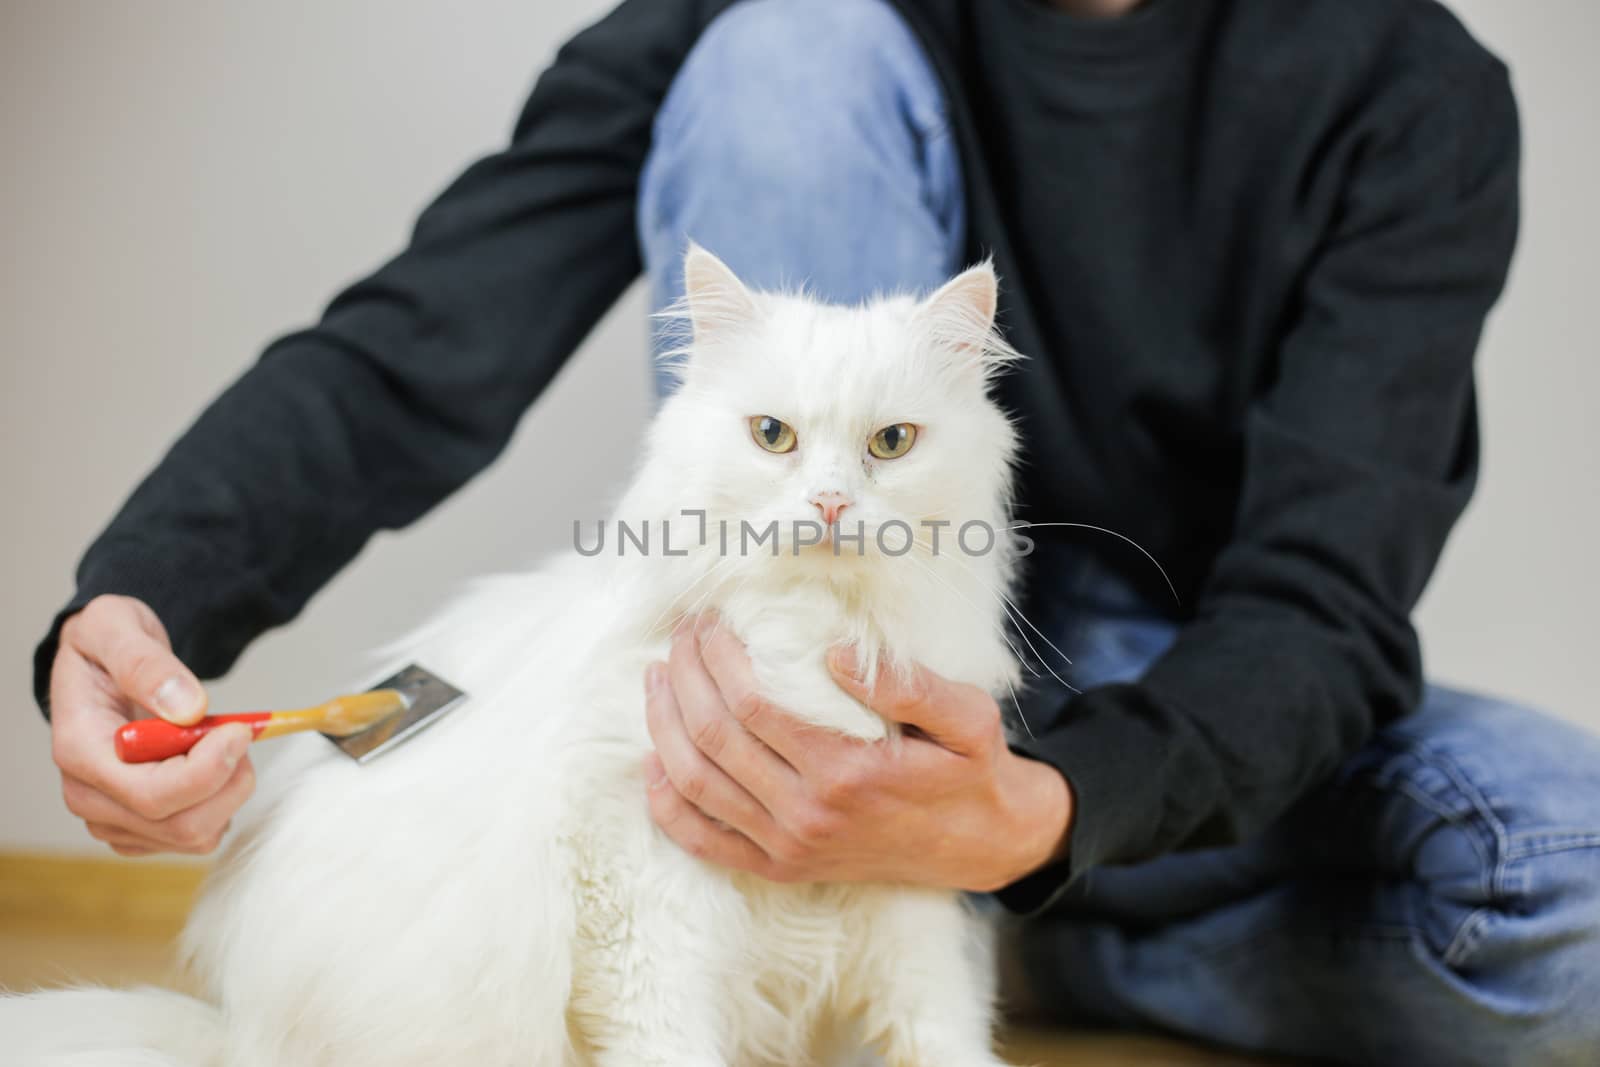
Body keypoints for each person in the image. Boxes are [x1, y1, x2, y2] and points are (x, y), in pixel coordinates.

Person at [35, 0, 1600, 1062]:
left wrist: (1047, 810)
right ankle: (819, 867)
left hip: (1174, 696)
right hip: (808, 642)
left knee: (1572, 888)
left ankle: (1009, 913)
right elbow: (432, 334)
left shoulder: (1412, 86)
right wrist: (146, 597)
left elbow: (1324, 602)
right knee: (787, 48)